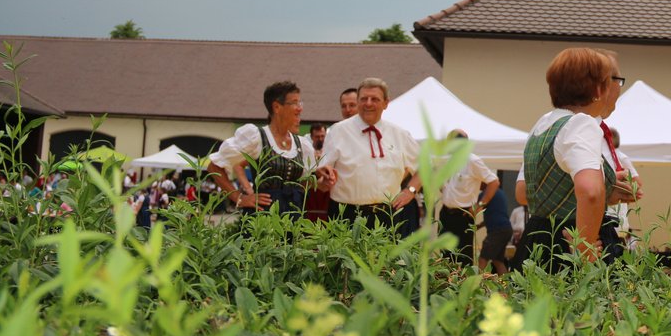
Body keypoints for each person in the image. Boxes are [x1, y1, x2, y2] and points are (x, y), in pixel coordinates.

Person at [514, 48, 635, 272]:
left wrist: (608, 188)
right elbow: (590, 191)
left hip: (537, 238)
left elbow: (528, 190)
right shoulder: (581, 124)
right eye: (610, 81)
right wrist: (584, 247)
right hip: (568, 245)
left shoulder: (545, 123)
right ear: (598, 89)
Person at [316, 78, 423, 233]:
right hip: (346, 216)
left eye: (375, 99)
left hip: (387, 217)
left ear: (386, 103)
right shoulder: (338, 131)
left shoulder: (399, 134)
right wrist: (324, 179)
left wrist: (410, 191)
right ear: (358, 101)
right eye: (363, 99)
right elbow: (323, 175)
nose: (368, 103)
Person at [208, 81, 320, 217]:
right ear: (277, 107)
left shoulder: (302, 144)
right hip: (263, 216)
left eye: (300, 103)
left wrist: (321, 177)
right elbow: (214, 167)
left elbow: (307, 184)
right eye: (294, 103)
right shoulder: (256, 137)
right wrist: (240, 198)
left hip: (293, 216)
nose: (300, 108)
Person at [438, 130, 500, 265]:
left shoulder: (472, 160)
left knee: (463, 257)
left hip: (463, 216)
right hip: (445, 214)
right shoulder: (448, 160)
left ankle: (463, 279)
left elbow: (494, 182)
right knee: (445, 257)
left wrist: (480, 205)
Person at [598, 125, 640, 262]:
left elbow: (637, 183)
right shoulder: (603, 156)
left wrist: (621, 186)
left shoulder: (619, 156)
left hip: (615, 210)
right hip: (607, 209)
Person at [478, 178, 514, 275]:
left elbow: (475, 209)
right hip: (506, 229)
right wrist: (479, 226)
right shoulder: (500, 193)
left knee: (482, 259)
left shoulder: (485, 194)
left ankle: (476, 282)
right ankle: (505, 283)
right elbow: (495, 214)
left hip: (497, 231)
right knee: (498, 261)